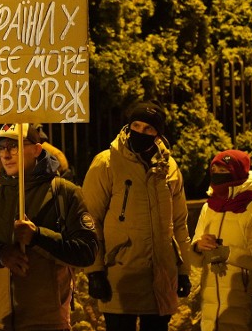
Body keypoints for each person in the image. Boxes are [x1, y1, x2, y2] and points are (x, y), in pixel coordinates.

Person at [0, 124, 98, 331]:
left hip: (47, 321)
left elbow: (86, 251)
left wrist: (38, 237)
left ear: (37, 149)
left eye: (14, 146)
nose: (5, 154)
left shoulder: (64, 193)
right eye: (1, 147)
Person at [81, 101, 191, 331]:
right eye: (136, 125)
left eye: (148, 128)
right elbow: (90, 219)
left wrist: (183, 271)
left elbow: (179, 222)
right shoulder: (106, 163)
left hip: (161, 276)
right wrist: (94, 272)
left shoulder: (169, 167)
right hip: (120, 275)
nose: (141, 132)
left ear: (158, 134)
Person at [191, 149, 252, 330]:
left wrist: (229, 254)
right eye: (214, 171)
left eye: (223, 171)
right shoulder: (208, 208)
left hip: (244, 303)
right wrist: (197, 247)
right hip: (210, 308)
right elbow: (195, 255)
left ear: (237, 173)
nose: (217, 176)